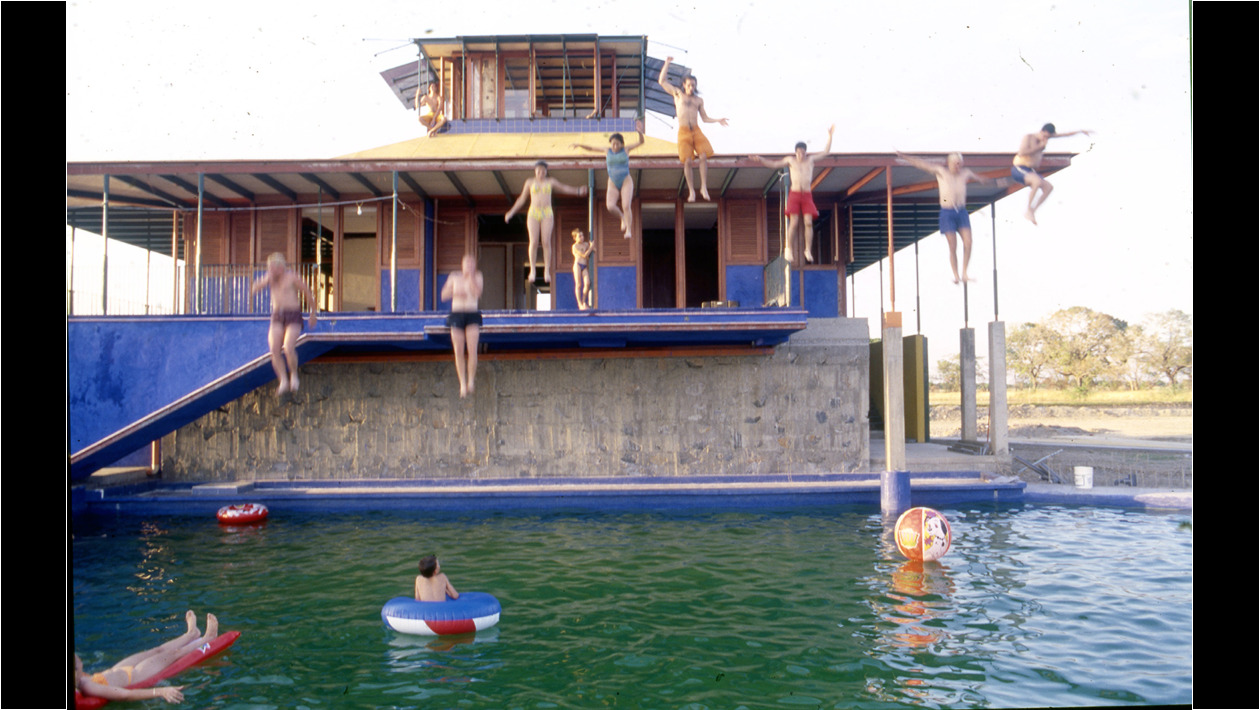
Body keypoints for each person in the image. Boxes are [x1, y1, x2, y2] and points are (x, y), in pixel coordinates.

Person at [896, 151, 1001, 284]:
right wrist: (905, 157)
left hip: (961, 212)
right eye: (955, 164)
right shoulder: (941, 171)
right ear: (949, 163)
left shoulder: (965, 173)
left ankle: (964, 273)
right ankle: (956, 275)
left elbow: (979, 177)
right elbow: (923, 165)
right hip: (947, 212)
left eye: (959, 164)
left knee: (968, 242)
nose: (957, 166)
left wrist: (986, 180)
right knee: (953, 246)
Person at [74, 610, 219, 705]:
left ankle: (191, 634)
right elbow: (125, 695)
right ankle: (207, 638)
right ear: (75, 670)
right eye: (78, 661)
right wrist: (161, 691)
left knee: (156, 650)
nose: (80, 660)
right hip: (136, 675)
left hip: (118, 670)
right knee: (172, 654)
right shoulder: (87, 686)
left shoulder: (81, 678)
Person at [754, 125, 834, 266]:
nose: (800, 155)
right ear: (795, 152)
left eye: (803, 152)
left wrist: (830, 135)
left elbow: (826, 151)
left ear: (805, 152)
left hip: (807, 194)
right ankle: (788, 248)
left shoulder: (811, 160)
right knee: (794, 222)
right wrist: (760, 159)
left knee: (808, 222)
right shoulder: (790, 160)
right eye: (798, 152)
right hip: (795, 194)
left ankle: (807, 250)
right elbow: (773, 164)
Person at [658, 57, 729, 202]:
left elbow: (704, 118)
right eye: (689, 85)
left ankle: (703, 187)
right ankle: (691, 191)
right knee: (688, 161)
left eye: (693, 85)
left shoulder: (698, 100)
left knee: (703, 156)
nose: (691, 88)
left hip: (696, 130)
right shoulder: (678, 94)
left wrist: (718, 120)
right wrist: (667, 64)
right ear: (684, 85)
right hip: (683, 131)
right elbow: (662, 82)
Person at [504, 161, 588, 284]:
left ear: (546, 171)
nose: (541, 173)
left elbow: (564, 188)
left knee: (546, 241)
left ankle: (546, 270)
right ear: (535, 171)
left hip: (547, 212)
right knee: (533, 241)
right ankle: (532, 269)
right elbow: (522, 198)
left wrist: (578, 190)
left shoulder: (551, 181)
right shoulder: (530, 182)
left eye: (543, 171)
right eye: (538, 171)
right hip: (533, 212)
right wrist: (511, 212)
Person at [250, 252, 317, 396]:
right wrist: (263, 281)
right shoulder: (269, 278)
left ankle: (294, 374)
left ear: (281, 267)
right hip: (277, 315)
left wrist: (313, 313)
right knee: (274, 349)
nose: (271, 270)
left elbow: (308, 293)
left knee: (288, 346)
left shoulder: (292, 277)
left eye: (273, 268)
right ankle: (283, 380)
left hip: (293, 314)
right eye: (269, 268)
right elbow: (254, 288)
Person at [570, 120, 645, 239]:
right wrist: (579, 145)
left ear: (621, 144)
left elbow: (641, 142)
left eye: (617, 144)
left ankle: (629, 230)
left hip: (625, 179)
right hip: (613, 181)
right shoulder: (607, 150)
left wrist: (639, 132)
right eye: (613, 144)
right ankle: (622, 217)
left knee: (626, 205)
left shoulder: (626, 150)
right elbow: (591, 148)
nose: (614, 146)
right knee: (610, 206)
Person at [1011, 123, 1093, 225]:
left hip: (1029, 170)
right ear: (1042, 132)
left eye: (1048, 137)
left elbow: (1064, 135)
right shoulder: (1029, 137)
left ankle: (1033, 211)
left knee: (1048, 187)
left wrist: (1080, 131)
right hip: (1019, 168)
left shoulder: (1046, 137)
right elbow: (1022, 152)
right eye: (1045, 136)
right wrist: (1040, 147)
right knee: (1036, 182)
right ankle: (1028, 209)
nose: (1046, 139)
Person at [440, 253, 484, 398]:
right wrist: (455, 291)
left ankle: (471, 380)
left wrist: (470, 278)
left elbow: (478, 293)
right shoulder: (454, 276)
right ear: (462, 264)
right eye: (467, 263)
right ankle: (462, 383)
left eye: (472, 264)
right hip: (457, 314)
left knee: (472, 349)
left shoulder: (477, 276)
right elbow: (443, 295)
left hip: (472, 314)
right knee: (458, 350)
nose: (469, 266)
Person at [571, 229, 596, 310]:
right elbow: (584, 255)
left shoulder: (585, 244)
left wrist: (591, 246)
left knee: (587, 283)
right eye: (579, 236)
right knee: (578, 284)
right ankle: (579, 304)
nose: (582, 237)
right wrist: (591, 247)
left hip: (584, 266)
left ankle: (583, 301)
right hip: (578, 265)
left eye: (582, 235)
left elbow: (594, 250)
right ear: (575, 238)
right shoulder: (574, 246)